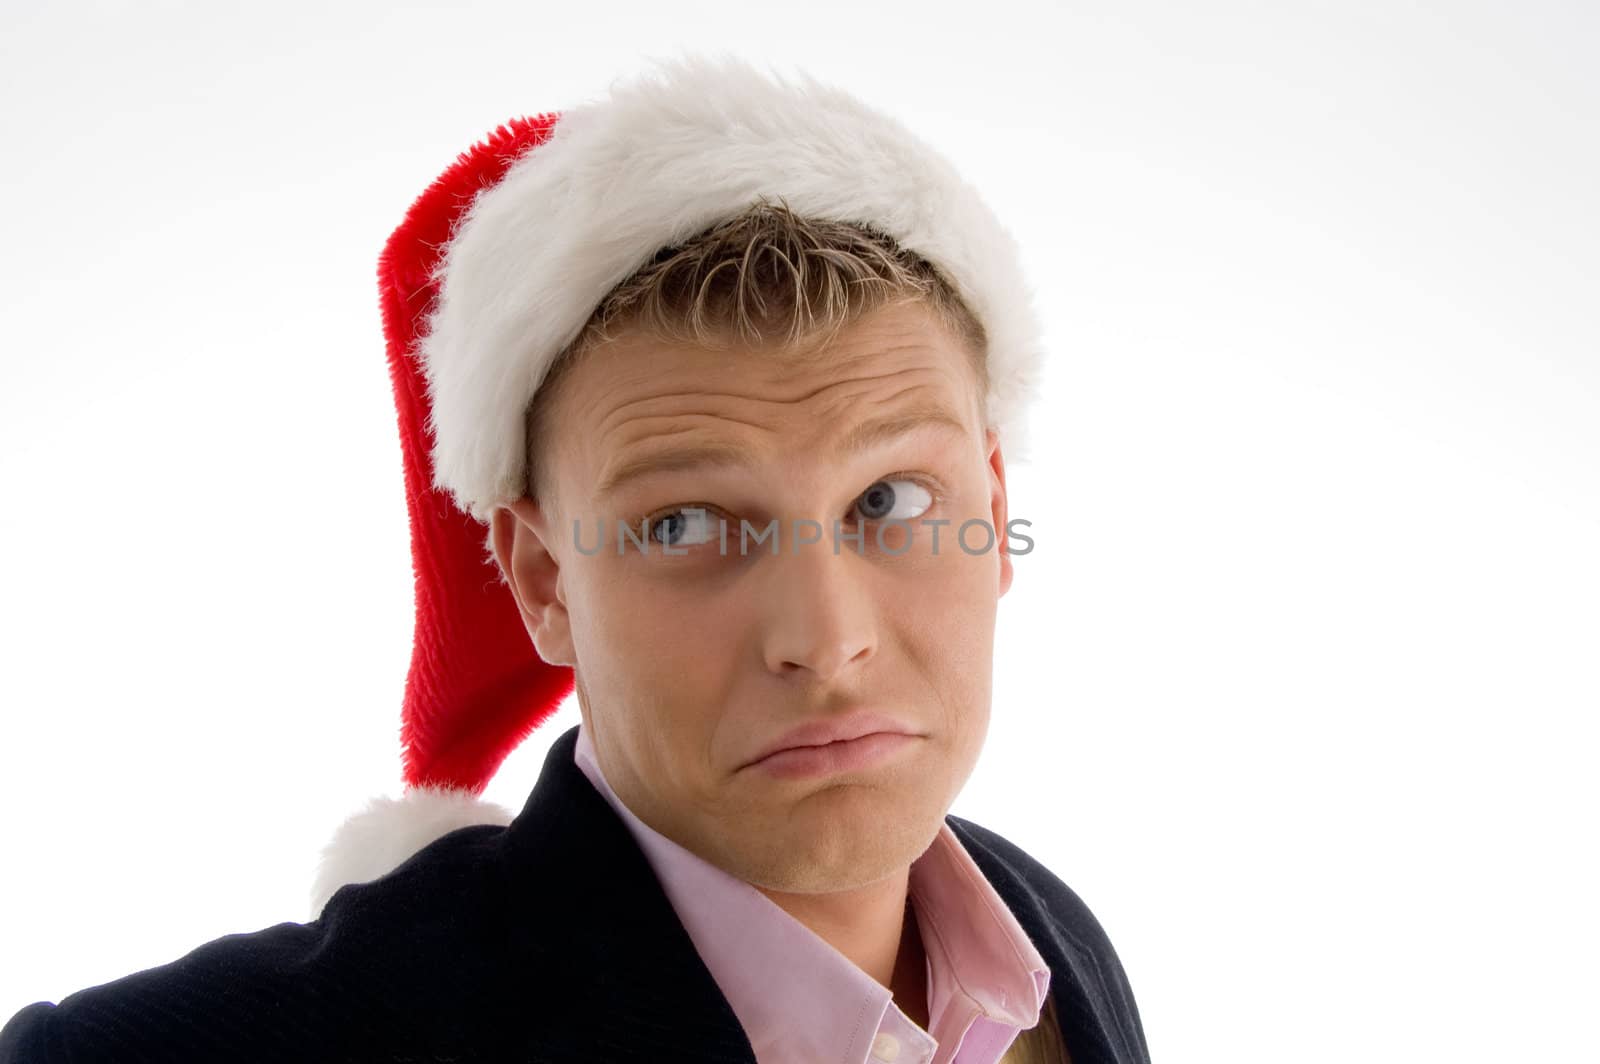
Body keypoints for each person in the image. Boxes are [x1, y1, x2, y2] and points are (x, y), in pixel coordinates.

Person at [0, 53, 1151, 1063]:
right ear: (542, 579)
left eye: (888, 497)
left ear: (994, 509)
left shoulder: (1051, 940)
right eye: (684, 524)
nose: (823, 637)